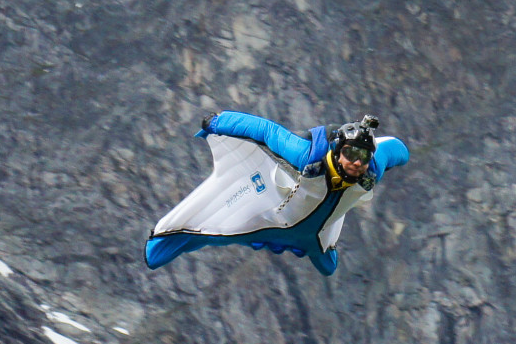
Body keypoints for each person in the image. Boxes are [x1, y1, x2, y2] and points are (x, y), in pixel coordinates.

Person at [145, 110, 410, 275]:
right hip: (271, 219)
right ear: (338, 152)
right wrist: (217, 122)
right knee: (213, 233)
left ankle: (169, 242)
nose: (357, 162)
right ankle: (167, 238)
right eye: (351, 153)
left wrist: (393, 154)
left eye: (363, 156)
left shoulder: (371, 170)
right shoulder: (307, 156)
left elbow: (397, 149)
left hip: (315, 235)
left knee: (328, 268)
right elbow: (265, 130)